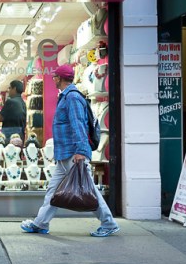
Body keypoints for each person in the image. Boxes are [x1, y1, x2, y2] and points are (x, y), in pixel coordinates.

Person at [20, 64, 120, 237]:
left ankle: (109, 223)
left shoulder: (72, 97)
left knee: (89, 190)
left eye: (55, 77)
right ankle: (41, 223)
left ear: (59, 78)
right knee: (53, 191)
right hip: (66, 154)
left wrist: (81, 151)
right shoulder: (67, 96)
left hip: (74, 154)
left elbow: (78, 124)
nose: (53, 80)